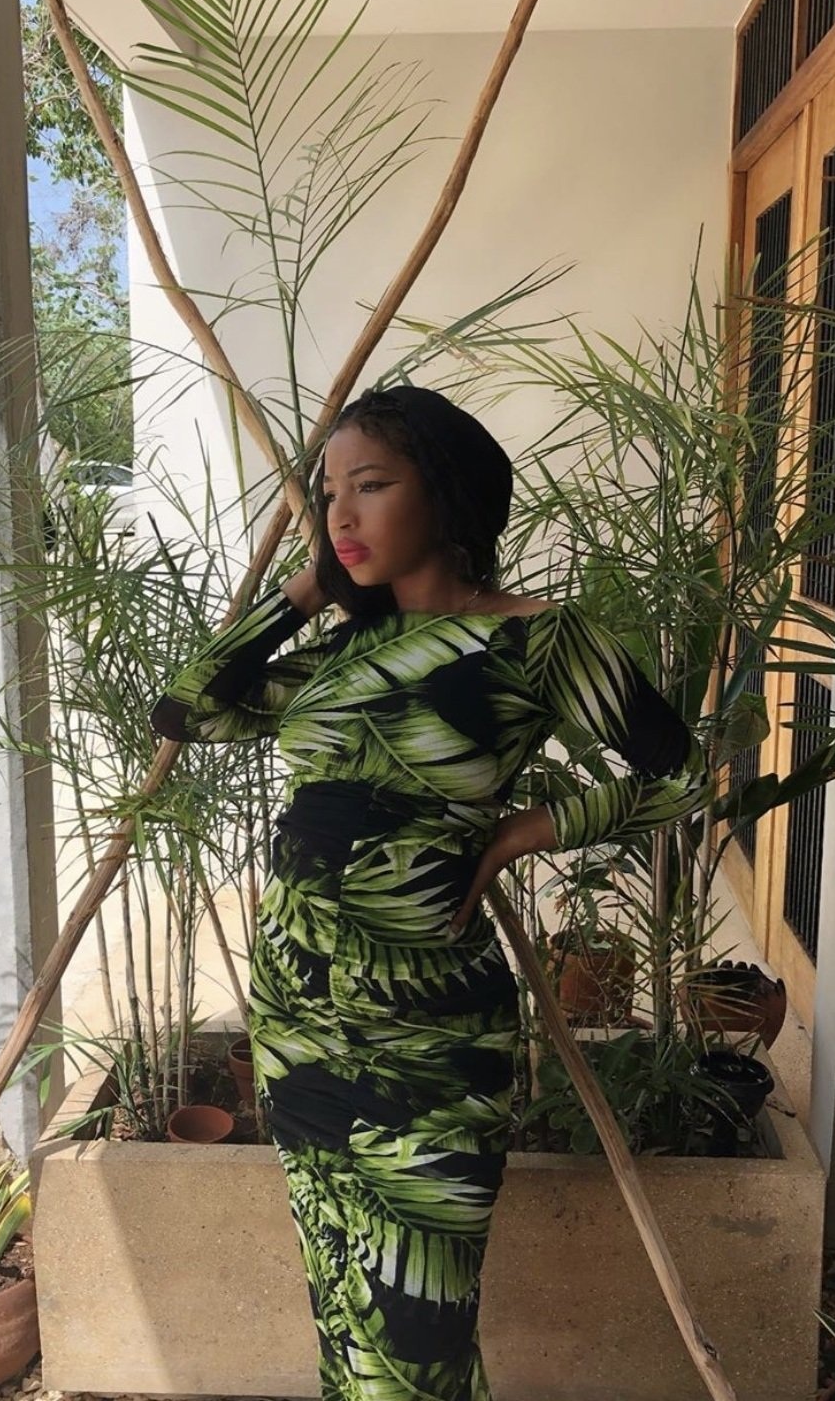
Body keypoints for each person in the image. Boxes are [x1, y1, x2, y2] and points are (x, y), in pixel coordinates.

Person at [151, 383, 706, 1401]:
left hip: (430, 1032)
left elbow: (683, 774)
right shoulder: (338, 656)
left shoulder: (540, 639)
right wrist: (302, 592)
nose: (341, 514)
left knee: (420, 1332)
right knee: (344, 1310)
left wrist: (525, 832)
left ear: (444, 491)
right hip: (298, 1018)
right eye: (329, 494)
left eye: (370, 484)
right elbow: (187, 709)